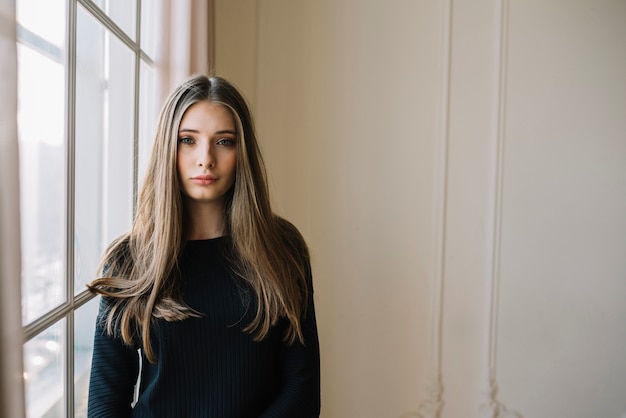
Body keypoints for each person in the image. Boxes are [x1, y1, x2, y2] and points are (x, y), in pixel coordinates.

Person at [86, 75, 320, 417]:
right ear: (169, 147)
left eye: (224, 141)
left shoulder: (283, 247)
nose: (205, 158)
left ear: (243, 152)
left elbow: (302, 389)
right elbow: (106, 399)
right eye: (187, 140)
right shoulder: (129, 259)